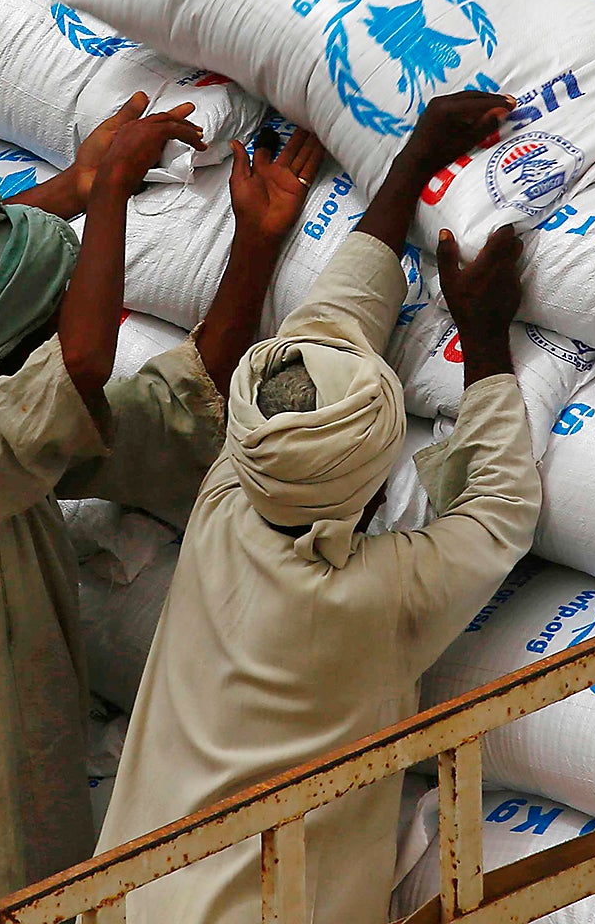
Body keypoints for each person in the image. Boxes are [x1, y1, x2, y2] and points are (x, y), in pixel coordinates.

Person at [0, 103, 328, 924]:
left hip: (9, 850)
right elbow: (78, 365)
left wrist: (253, 242)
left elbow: (181, 397)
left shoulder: (4, 434)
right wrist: (104, 198)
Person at [99, 89, 544, 924]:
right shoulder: (371, 597)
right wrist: (485, 340)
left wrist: (412, 159)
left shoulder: (232, 497)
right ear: (377, 485)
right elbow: (497, 515)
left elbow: (328, 328)